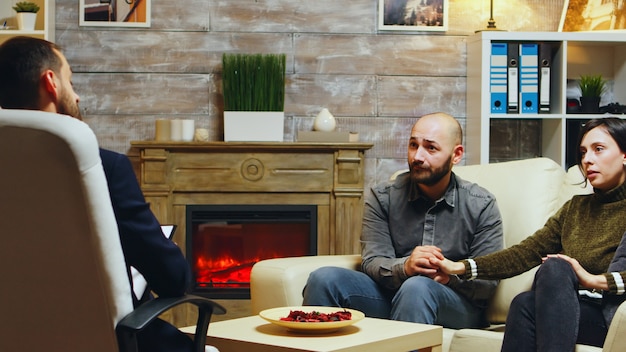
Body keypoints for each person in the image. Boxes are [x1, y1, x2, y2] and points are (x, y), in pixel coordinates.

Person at [0, 36, 194, 352]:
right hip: (115, 341)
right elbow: (173, 280)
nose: (76, 96)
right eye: (70, 81)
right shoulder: (106, 167)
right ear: (51, 82)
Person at [433, 117, 626, 351]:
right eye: (583, 152)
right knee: (525, 301)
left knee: (556, 267)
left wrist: (593, 280)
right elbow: (525, 253)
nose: (587, 159)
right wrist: (459, 267)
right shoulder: (575, 208)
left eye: (599, 149)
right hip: (569, 311)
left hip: (610, 317)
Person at [302, 112, 504, 329]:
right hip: (391, 296)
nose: (417, 156)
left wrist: (450, 275)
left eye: (431, 148)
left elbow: (487, 279)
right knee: (323, 279)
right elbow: (373, 260)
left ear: (456, 155)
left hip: (456, 306)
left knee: (418, 288)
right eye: (413, 145)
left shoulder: (481, 205)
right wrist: (405, 267)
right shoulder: (383, 197)